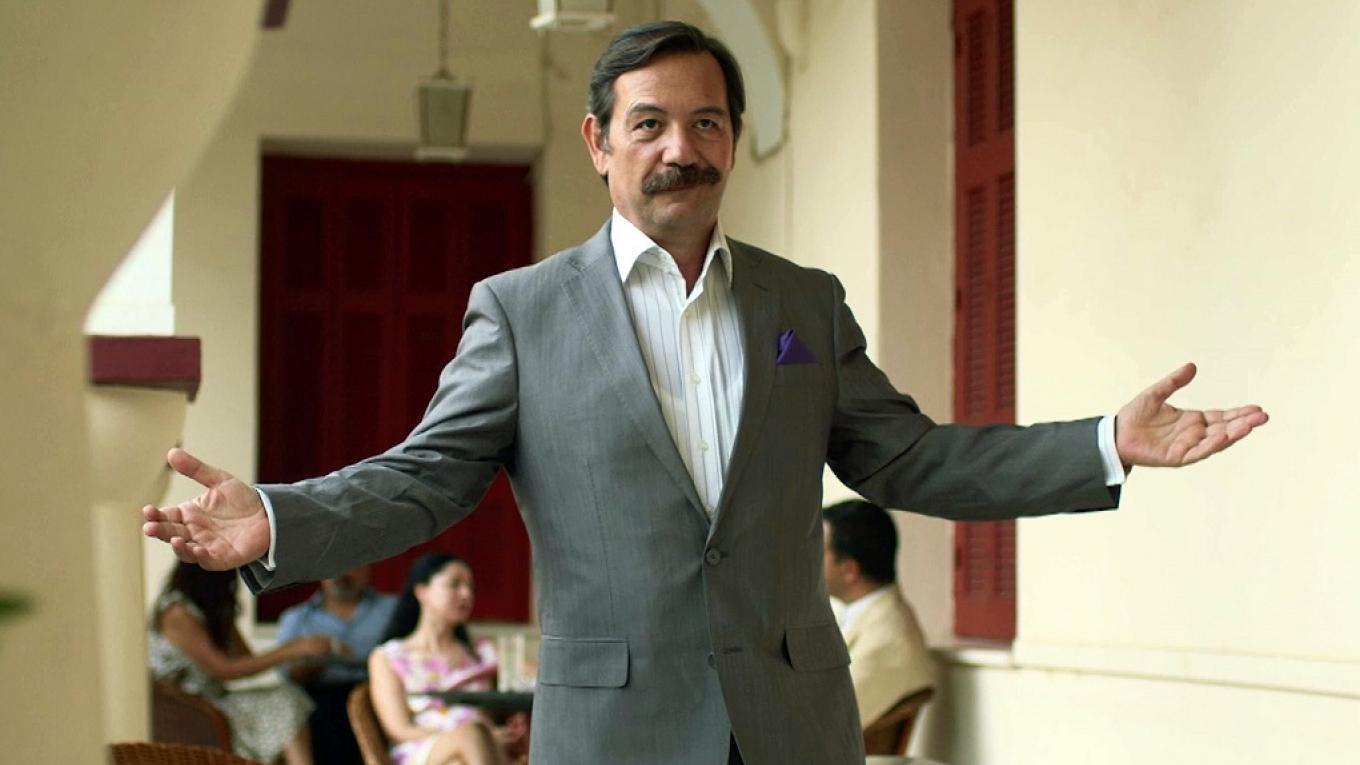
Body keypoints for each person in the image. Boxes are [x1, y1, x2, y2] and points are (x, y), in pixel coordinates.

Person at [142, 20, 1268, 765]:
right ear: (599, 142)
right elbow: (430, 476)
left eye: (707, 122)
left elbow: (909, 458)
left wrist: (1102, 444)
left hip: (793, 724)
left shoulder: (802, 303)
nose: (680, 147)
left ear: (732, 138)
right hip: (614, 729)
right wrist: (279, 517)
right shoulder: (521, 312)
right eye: (649, 124)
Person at [147, 562, 327, 765]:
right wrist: (291, 649)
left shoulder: (211, 612)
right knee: (285, 703)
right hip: (191, 709)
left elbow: (245, 659)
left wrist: (295, 657)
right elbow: (223, 669)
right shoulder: (177, 613)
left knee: (289, 699)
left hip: (214, 702)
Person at [368, 553, 526, 765]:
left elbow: (537, 675)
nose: (466, 594)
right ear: (422, 591)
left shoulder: (482, 652)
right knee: (472, 735)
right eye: (454, 584)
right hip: (422, 748)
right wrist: (477, 737)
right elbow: (399, 730)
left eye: (470, 587)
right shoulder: (388, 656)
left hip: (485, 750)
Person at [822, 499, 933, 728]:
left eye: (815, 552)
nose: (803, 561)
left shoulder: (886, 639)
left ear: (850, 570)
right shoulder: (866, 616)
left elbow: (825, 722)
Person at [276, 565, 398, 765]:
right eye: (335, 565)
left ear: (367, 567)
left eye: (352, 565)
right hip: (318, 699)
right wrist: (307, 666)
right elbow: (288, 675)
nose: (342, 573)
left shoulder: (393, 609)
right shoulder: (295, 619)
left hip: (377, 694)